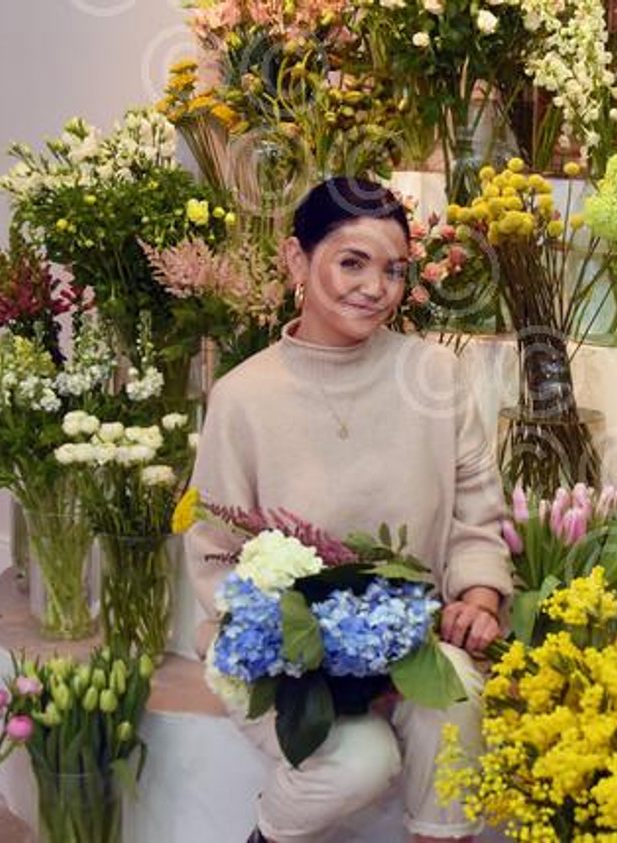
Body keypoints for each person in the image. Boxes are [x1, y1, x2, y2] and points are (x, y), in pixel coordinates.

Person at [184, 176, 512, 843]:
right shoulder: (242, 396)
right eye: (352, 262)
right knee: (361, 758)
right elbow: (216, 559)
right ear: (297, 260)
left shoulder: (434, 376)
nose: (375, 287)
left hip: (407, 636)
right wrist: (326, 658)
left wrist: (477, 599)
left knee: (454, 699)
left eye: (393, 269)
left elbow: (478, 519)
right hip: (277, 652)